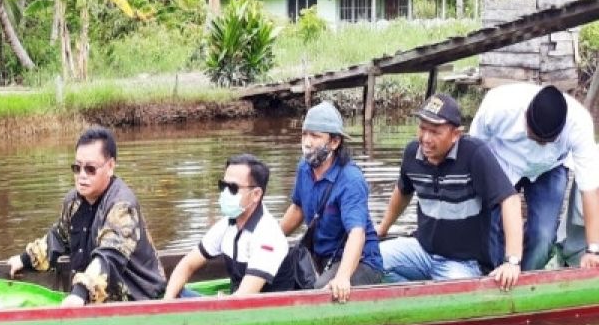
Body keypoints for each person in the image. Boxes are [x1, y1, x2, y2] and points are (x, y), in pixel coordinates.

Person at [376, 94, 523, 288]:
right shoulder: (412, 153)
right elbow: (403, 191)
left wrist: (512, 262)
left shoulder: (474, 154)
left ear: (455, 134)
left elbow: (509, 199)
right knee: (370, 261)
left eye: (435, 132)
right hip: (422, 250)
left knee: (454, 291)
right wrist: (382, 229)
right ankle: (417, 296)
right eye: (422, 128)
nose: (426, 139)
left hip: (463, 263)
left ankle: (426, 296)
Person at [7, 127, 165, 306]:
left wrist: (80, 293)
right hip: (94, 300)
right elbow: (59, 237)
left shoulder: (122, 206)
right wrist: (24, 259)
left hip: (140, 300)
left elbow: (109, 257)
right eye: (77, 168)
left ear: (110, 166)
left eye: (90, 169)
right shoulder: (73, 201)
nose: (81, 176)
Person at [468, 82, 599, 271]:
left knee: (543, 236)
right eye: (535, 137)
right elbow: (475, 152)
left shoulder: (579, 124)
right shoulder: (498, 106)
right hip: (502, 160)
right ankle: (493, 275)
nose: (539, 144)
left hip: (550, 167)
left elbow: (590, 189)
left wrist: (593, 249)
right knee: (489, 226)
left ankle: (529, 279)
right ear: (525, 116)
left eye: (546, 141)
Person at [279, 101, 384, 302]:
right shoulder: (304, 168)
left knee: (320, 293)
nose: (307, 142)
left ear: (334, 142)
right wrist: (270, 239)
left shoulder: (351, 179)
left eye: (316, 136)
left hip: (361, 262)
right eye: (305, 134)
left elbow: (357, 233)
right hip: (320, 256)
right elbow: (298, 209)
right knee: (275, 271)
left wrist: (343, 277)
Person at [165, 154, 303, 298]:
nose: (225, 193)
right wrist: (166, 303)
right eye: (223, 185)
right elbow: (187, 265)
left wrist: (223, 301)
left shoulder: (268, 234)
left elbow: (244, 296)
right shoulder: (228, 223)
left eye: (232, 188)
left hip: (263, 311)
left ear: (256, 194)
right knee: (176, 291)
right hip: (234, 303)